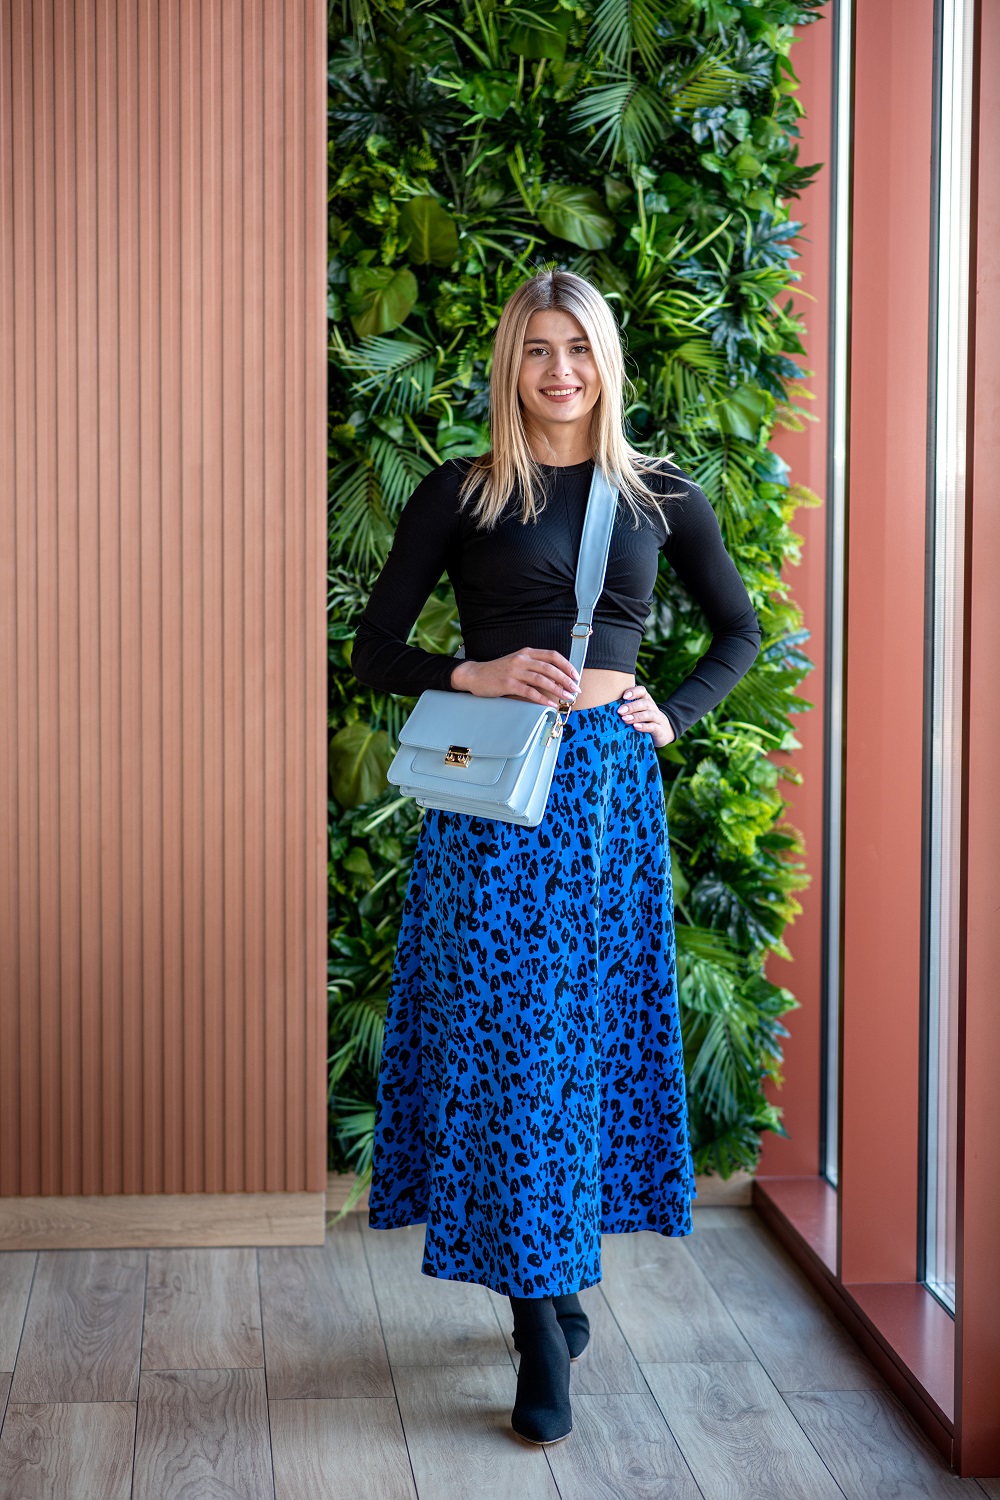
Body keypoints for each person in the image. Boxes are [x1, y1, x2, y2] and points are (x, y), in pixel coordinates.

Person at [349, 268, 761, 1447]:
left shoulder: (659, 494)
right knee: (512, 1048)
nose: (559, 370)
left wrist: (672, 714)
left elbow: (737, 630)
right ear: (510, 365)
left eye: (576, 348)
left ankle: (553, 1278)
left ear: (605, 362)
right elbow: (374, 649)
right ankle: (541, 1324)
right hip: (492, 803)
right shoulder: (464, 490)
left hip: (606, 805)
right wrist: (471, 672)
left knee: (580, 1046)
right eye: (536, 349)